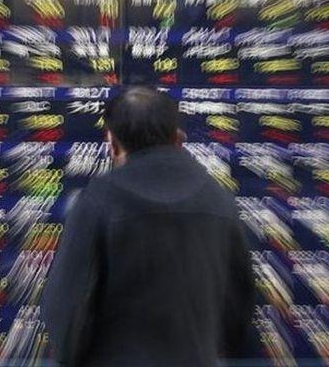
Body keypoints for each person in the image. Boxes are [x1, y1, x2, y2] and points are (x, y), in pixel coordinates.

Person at [41, 86, 255, 367]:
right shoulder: (218, 200)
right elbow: (239, 310)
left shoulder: (99, 200)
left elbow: (67, 308)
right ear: (178, 139)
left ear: (113, 144)